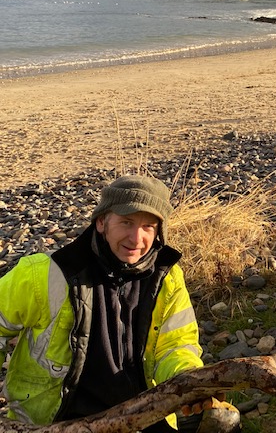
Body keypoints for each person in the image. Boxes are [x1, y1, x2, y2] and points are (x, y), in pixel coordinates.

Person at [0, 175, 237, 432]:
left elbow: (175, 347)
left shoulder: (167, 278)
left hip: (145, 417)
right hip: (60, 423)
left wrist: (191, 384)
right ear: (101, 222)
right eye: (126, 222)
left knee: (226, 421)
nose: (136, 239)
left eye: (148, 226)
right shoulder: (44, 274)